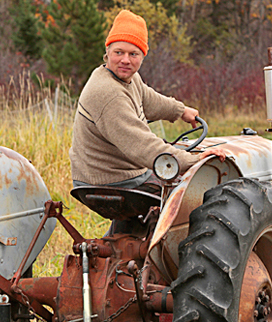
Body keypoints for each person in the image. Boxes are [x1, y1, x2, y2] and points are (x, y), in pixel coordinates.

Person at [69, 10, 225, 194]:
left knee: (172, 182)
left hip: (123, 171)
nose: (125, 60)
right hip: (108, 180)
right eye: (119, 52)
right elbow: (141, 145)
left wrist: (181, 111)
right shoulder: (109, 93)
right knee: (183, 191)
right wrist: (191, 161)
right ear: (108, 52)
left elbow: (148, 99)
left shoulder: (127, 78)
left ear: (142, 57)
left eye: (133, 54)